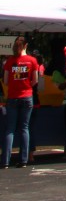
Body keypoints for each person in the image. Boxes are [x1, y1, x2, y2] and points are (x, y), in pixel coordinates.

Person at [2, 36, 39, 169]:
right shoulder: (32, 61)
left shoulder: (9, 62)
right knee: (24, 128)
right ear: (26, 46)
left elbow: (5, 81)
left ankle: (5, 160)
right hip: (27, 96)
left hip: (12, 97)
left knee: (10, 129)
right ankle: (23, 159)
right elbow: (35, 81)